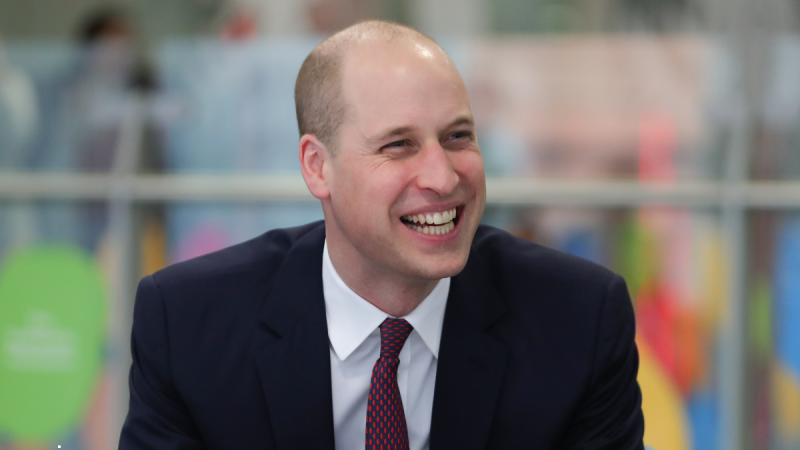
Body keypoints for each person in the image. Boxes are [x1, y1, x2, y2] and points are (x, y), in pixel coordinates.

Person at [119, 20, 644, 450]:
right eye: (398, 145)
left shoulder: (578, 319)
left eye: (457, 136)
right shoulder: (189, 324)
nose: (442, 176)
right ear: (317, 167)